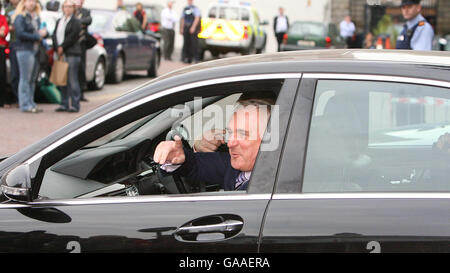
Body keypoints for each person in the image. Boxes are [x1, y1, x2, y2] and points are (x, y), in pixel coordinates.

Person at [153, 95, 275, 191]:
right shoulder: (236, 165)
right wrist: (175, 158)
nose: (230, 143)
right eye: (230, 133)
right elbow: (194, 164)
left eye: (243, 134)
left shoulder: (273, 185)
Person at [13, 0, 47, 113]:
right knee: (25, 78)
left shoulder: (36, 17)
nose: (31, 3)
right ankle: (25, 104)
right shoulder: (20, 17)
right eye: (29, 1)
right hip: (24, 50)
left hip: (35, 50)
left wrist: (44, 33)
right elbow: (20, 34)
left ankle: (31, 103)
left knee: (32, 79)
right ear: (24, 3)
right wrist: (37, 36)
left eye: (33, 1)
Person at [52, 0, 81, 113]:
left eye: (70, 7)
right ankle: (63, 103)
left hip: (71, 53)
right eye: (65, 6)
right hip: (61, 54)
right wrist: (57, 47)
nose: (67, 9)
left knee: (72, 79)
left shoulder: (75, 21)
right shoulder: (60, 20)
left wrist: (62, 47)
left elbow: (73, 36)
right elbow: (54, 34)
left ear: (73, 8)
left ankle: (75, 104)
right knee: (62, 79)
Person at [75, 0, 91, 101]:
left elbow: (88, 20)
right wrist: (79, 23)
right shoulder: (71, 10)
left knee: (81, 69)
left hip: (82, 44)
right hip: (72, 45)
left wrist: (79, 22)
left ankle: (81, 93)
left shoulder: (85, 11)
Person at [5, 0, 20, 107]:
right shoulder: (8, 10)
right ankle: (17, 98)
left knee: (24, 75)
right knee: (14, 74)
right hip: (13, 44)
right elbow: (5, 26)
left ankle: (23, 99)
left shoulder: (24, 8)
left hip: (23, 44)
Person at [0, 2, 9, 108]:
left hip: (1, 48)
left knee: (2, 75)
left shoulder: (2, 18)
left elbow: (4, 33)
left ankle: (2, 100)